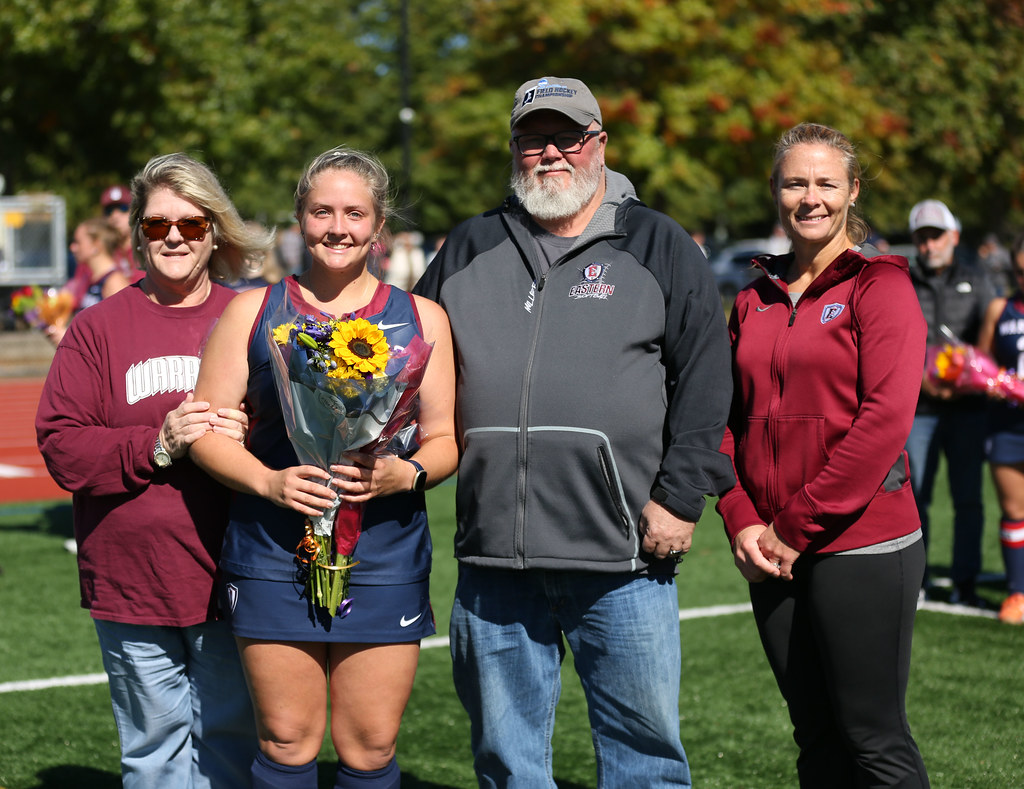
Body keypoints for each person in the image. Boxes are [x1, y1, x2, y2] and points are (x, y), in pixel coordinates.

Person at [413, 76, 733, 788]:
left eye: (568, 136)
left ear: (599, 145)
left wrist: (682, 498)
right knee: (505, 760)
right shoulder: (468, 247)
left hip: (622, 558)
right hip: (493, 562)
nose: (550, 152)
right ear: (514, 149)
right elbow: (407, 361)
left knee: (643, 760)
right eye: (533, 138)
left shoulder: (658, 243)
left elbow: (708, 379)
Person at [188, 146, 458, 789]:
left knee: (370, 746)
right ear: (299, 219)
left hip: (385, 553)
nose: (337, 227)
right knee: (286, 741)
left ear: (378, 223)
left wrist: (405, 474)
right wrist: (269, 481)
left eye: (354, 213)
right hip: (271, 553)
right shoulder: (251, 312)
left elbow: (447, 438)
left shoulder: (423, 319)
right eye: (321, 211)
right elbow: (204, 431)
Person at [36, 152, 274, 788]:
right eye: (157, 223)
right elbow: (62, 447)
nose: (174, 236)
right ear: (138, 232)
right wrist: (157, 444)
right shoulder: (97, 328)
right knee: (152, 755)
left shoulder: (257, 318)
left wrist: (254, 434)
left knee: (231, 746)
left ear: (215, 231)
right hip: (132, 578)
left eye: (192, 224)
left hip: (238, 572)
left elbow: (300, 442)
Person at [718, 122, 929, 787]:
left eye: (826, 183)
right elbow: (721, 424)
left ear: (852, 190)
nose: (811, 197)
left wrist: (792, 528)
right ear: (776, 191)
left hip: (861, 545)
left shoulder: (881, 286)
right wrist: (742, 518)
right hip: (770, 549)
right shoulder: (751, 298)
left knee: (872, 739)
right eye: (795, 182)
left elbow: (883, 424)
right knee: (815, 737)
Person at [905, 198, 997, 606]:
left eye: (936, 235)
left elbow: (988, 344)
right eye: (922, 237)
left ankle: (965, 581)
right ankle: (915, 581)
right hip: (916, 409)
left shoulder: (978, 280)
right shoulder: (900, 279)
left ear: (954, 236)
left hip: (967, 409)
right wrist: (921, 382)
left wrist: (967, 379)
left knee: (968, 498)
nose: (929, 244)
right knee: (914, 497)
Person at [977, 232, 1024, 623]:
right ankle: (1016, 593)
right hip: (1008, 426)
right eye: (1021, 272)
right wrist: (994, 384)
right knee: (1012, 509)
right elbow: (981, 365)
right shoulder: (1000, 308)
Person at [46, 217, 131, 345]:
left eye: (78, 242)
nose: (72, 248)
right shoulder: (92, 280)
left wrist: (70, 340)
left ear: (96, 246)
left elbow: (122, 338)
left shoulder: (115, 282)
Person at [100, 183, 146, 282]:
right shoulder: (102, 253)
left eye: (123, 208)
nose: (115, 216)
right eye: (109, 211)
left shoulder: (148, 248)